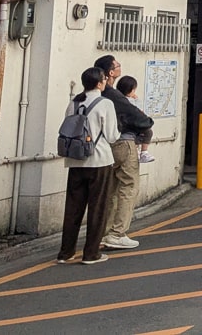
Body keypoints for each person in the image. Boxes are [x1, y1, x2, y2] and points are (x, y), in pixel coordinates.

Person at [56, 67, 120, 265]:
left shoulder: (73, 103)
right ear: (100, 83)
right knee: (97, 208)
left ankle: (66, 252)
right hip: (99, 161)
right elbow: (111, 135)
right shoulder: (105, 103)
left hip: (75, 161)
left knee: (73, 208)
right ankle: (91, 253)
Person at [94, 55, 153, 250]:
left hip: (104, 146)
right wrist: (147, 124)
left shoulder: (92, 96)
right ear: (110, 73)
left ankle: (103, 232)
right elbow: (134, 115)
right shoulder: (114, 95)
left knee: (109, 189)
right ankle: (117, 233)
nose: (120, 67)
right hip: (124, 142)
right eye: (117, 66)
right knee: (129, 186)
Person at [117, 75, 154, 163]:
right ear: (130, 90)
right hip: (131, 127)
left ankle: (139, 152)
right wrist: (137, 100)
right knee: (148, 132)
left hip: (123, 130)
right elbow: (139, 112)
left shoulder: (117, 98)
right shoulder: (130, 101)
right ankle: (144, 152)